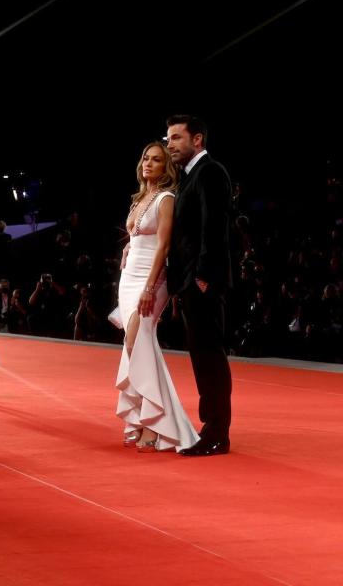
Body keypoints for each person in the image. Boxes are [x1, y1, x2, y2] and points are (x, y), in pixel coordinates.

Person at [114, 141, 198, 452]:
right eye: (146, 158)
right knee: (133, 344)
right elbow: (136, 234)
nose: (149, 164)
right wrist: (127, 247)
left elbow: (163, 246)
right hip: (128, 278)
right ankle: (141, 419)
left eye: (157, 160)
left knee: (139, 340)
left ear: (166, 167)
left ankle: (157, 423)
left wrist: (150, 287)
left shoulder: (166, 198)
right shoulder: (139, 198)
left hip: (151, 279)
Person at [166, 115, 234, 457]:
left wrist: (203, 277)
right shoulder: (188, 178)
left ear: (198, 140)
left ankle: (217, 432)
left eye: (177, 137)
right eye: (168, 138)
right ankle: (211, 426)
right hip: (190, 281)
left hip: (202, 280)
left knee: (210, 356)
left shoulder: (211, 172)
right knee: (201, 356)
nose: (170, 144)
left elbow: (214, 227)